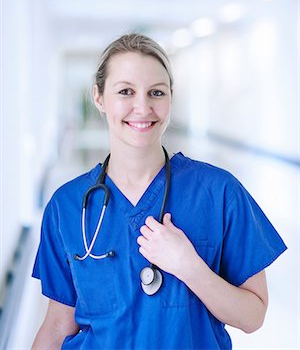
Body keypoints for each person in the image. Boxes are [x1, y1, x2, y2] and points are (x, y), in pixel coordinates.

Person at [31, 33, 287, 350]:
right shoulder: (67, 206)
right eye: (125, 91)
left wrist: (191, 268)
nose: (143, 107)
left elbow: (253, 315)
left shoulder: (219, 193)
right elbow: (57, 325)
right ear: (99, 97)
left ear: (170, 98)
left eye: (156, 93)